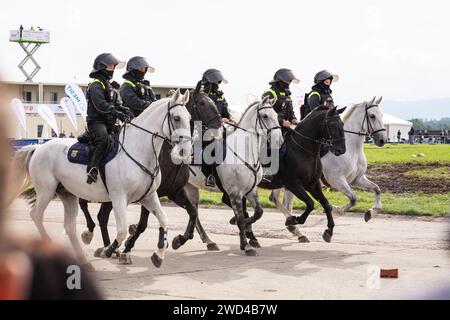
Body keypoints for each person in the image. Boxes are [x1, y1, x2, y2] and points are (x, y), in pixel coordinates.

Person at [0, 85, 102, 299]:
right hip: (98, 125)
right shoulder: (55, 265)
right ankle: (93, 171)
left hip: (110, 122)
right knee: (103, 141)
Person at [85, 53, 131, 184]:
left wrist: (124, 110)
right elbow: (100, 105)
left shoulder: (109, 86)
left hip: (109, 123)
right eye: (110, 67)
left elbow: (117, 104)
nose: (113, 69)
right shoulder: (95, 85)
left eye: (113, 67)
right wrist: (116, 113)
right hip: (96, 122)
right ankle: (92, 168)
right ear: (101, 67)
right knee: (103, 140)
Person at [200, 69, 232, 187]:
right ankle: (210, 175)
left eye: (219, 82)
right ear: (209, 81)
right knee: (212, 147)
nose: (218, 84)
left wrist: (228, 117)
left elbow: (225, 111)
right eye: (216, 82)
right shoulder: (202, 95)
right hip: (204, 128)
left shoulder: (220, 96)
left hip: (220, 129)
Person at [263, 68, 299, 132]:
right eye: (287, 81)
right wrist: (281, 122)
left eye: (290, 81)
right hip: (272, 129)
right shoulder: (269, 93)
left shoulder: (287, 93)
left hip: (286, 127)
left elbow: (290, 110)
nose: (289, 83)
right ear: (279, 80)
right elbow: (266, 114)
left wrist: (293, 118)